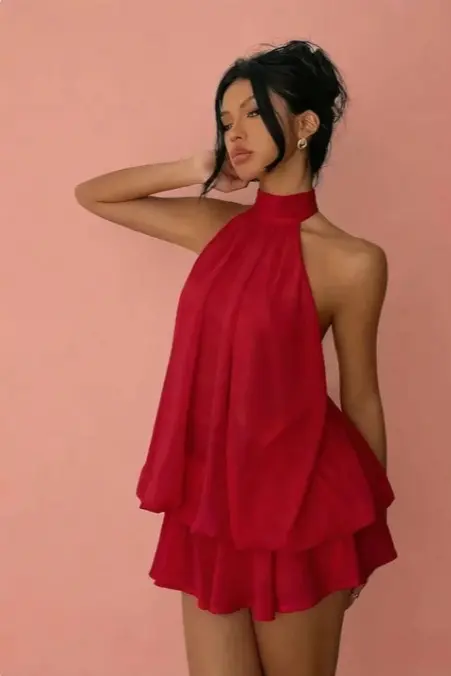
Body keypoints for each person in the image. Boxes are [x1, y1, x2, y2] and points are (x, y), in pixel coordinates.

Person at [75, 40, 397, 676]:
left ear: (305, 125)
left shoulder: (354, 262)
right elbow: (94, 195)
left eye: (253, 113)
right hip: (211, 506)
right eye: (226, 121)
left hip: (304, 508)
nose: (236, 133)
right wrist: (196, 165)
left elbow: (361, 395)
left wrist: (365, 528)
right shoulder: (217, 226)